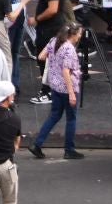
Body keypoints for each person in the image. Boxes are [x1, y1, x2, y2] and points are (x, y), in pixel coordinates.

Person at [29, 21, 84, 160]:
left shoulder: (54, 41)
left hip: (54, 86)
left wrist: (54, 59)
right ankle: (69, 150)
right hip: (68, 88)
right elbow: (66, 71)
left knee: (54, 115)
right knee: (71, 119)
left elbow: (41, 56)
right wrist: (71, 93)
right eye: (79, 34)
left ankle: (37, 144)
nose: (80, 36)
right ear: (73, 34)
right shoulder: (69, 49)